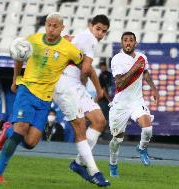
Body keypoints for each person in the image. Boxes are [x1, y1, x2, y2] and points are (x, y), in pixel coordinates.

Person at [0, 12, 84, 184]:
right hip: (27, 90)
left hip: (45, 99)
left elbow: (83, 62)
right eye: (49, 25)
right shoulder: (32, 40)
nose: (51, 29)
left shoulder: (69, 49)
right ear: (45, 25)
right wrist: (16, 79)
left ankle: (7, 130)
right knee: (21, 129)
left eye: (55, 26)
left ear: (62, 28)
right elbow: (18, 57)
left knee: (30, 142)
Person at [53, 15, 110, 186]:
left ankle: (78, 163)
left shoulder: (82, 37)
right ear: (91, 26)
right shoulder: (89, 39)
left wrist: (95, 87)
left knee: (99, 121)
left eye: (104, 31)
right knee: (80, 127)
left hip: (74, 84)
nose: (100, 33)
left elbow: (86, 68)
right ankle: (94, 171)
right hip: (65, 83)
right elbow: (86, 68)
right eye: (98, 28)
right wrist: (90, 83)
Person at [108, 31, 159, 177]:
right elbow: (119, 83)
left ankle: (141, 148)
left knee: (148, 129)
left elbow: (145, 73)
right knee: (117, 140)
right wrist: (134, 69)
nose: (128, 43)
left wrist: (154, 89)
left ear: (135, 43)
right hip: (120, 104)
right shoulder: (117, 59)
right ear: (122, 43)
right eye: (125, 40)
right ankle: (113, 165)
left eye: (131, 40)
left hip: (137, 101)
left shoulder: (142, 57)